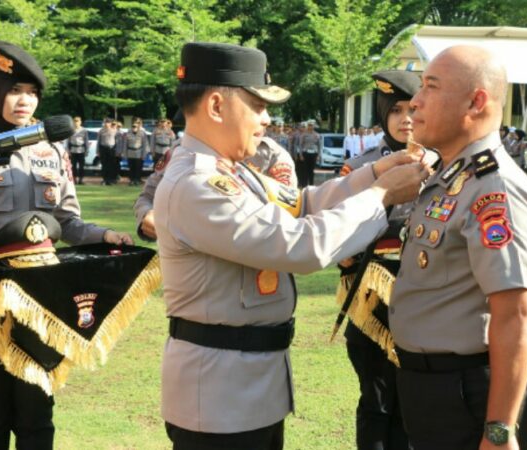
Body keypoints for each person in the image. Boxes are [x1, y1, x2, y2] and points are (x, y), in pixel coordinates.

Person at [153, 42, 427, 450]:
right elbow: (300, 247)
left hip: (246, 389)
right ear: (216, 106)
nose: (267, 119)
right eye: (257, 105)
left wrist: (373, 174)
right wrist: (382, 194)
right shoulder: (198, 184)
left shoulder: (235, 172)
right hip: (218, 400)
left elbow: (303, 205)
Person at [0, 40, 132, 450]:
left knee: (37, 415)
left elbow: (67, 222)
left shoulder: (51, 150)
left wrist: (105, 235)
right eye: (15, 91)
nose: (25, 101)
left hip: (41, 296)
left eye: (32, 93)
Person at [393, 45, 527, 450]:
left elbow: (516, 316)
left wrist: (499, 431)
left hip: (467, 393)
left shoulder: (494, 187)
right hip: (431, 387)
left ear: (476, 102)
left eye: (431, 87)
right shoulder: (450, 176)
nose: (415, 101)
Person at [336, 70, 428, 450]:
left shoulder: (445, 165)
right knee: (376, 403)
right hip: (372, 302)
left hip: (425, 302)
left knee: (414, 407)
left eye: (413, 109)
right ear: (382, 114)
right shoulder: (360, 169)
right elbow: (339, 234)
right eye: (396, 110)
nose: (406, 119)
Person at [133, 136, 298, 242]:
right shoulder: (182, 150)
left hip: (256, 268)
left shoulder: (270, 153)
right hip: (196, 271)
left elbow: (290, 212)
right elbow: (147, 197)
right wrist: (147, 214)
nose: (265, 119)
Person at [123, 117, 149, 186]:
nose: (134, 127)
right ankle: (132, 180)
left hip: (139, 152)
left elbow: (145, 144)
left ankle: (137, 180)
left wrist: (144, 154)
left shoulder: (142, 133)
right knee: (131, 167)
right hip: (130, 152)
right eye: (133, 126)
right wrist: (125, 154)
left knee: (138, 168)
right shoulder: (128, 133)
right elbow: (125, 144)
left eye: (136, 126)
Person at [65, 116, 90, 184]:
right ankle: (74, 179)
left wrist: (87, 151)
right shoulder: (71, 130)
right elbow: (68, 141)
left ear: (80, 122)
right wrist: (68, 151)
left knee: (81, 166)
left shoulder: (84, 130)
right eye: (75, 121)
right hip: (73, 150)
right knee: (73, 166)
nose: (76, 123)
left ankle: (81, 180)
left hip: (81, 150)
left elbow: (86, 141)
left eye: (78, 121)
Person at [298, 121, 321, 187]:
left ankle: (311, 184)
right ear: (308, 126)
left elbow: (319, 145)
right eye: (309, 125)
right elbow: (300, 145)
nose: (310, 127)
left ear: (314, 126)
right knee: (305, 170)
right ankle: (305, 185)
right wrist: (301, 155)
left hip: (314, 153)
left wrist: (318, 155)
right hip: (306, 153)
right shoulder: (304, 135)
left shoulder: (317, 135)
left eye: (312, 125)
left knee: (312, 170)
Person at [98, 118, 119, 185]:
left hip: (111, 149)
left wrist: (117, 151)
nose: (106, 124)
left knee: (111, 165)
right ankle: (104, 179)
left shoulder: (114, 130)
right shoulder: (101, 131)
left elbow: (117, 141)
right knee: (104, 165)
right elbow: (98, 141)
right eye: (105, 122)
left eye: (108, 122)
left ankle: (110, 180)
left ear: (110, 123)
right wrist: (98, 151)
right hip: (103, 148)